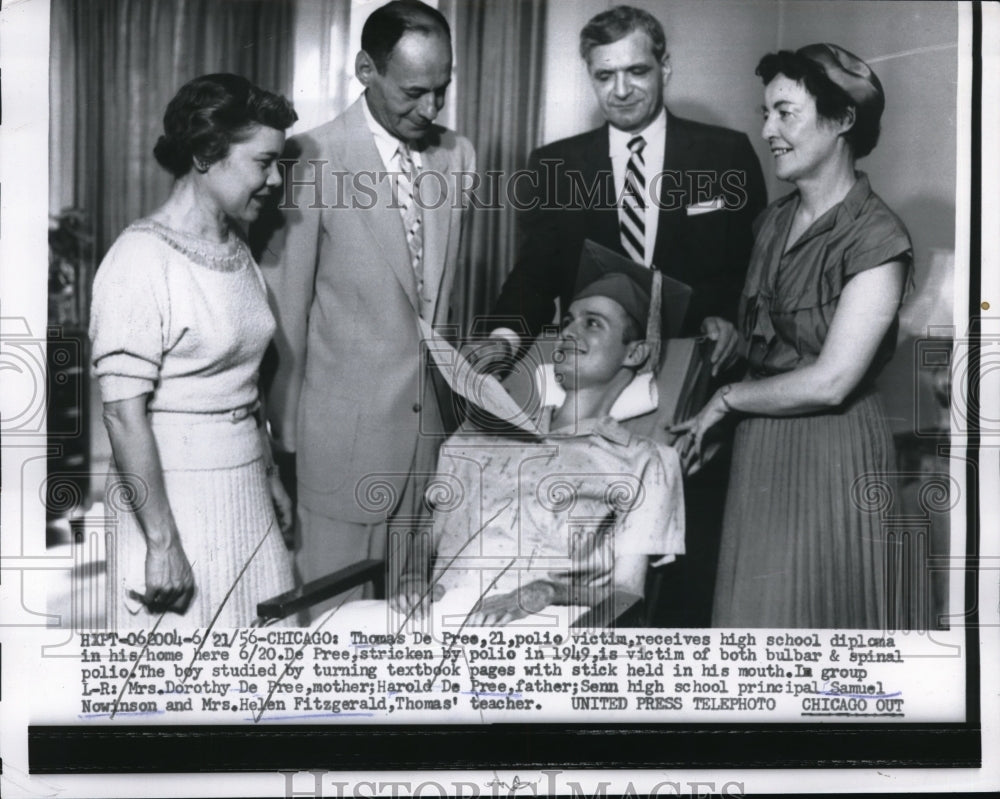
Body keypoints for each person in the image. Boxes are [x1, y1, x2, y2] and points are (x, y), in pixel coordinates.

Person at [466, 5, 766, 627]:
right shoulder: (556, 165)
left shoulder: (726, 154)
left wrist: (729, 319)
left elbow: (751, 275)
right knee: (591, 565)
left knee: (683, 571)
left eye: (637, 71)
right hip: (594, 401)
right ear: (590, 76)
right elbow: (534, 274)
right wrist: (500, 337)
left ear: (665, 68)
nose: (622, 90)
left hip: (689, 396)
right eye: (605, 76)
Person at [315, 240, 686, 633]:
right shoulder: (479, 437)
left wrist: (547, 591)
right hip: (436, 617)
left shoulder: (648, 462)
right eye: (567, 322)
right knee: (330, 628)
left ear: (636, 353)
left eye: (593, 323)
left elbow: (629, 595)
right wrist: (411, 579)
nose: (567, 333)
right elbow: (427, 537)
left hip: (537, 624)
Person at [672, 44, 915, 629]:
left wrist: (726, 402)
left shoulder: (878, 237)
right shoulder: (772, 221)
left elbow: (832, 381)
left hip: (834, 456)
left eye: (785, 113)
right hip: (760, 451)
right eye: (765, 114)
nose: (768, 131)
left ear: (843, 120)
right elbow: (763, 353)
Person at [255, 0, 475, 620]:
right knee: (334, 633)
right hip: (335, 453)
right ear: (364, 70)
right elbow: (285, 318)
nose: (430, 109)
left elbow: (438, 304)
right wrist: (287, 451)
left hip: (425, 445)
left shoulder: (459, 157)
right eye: (413, 92)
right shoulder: (307, 158)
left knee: (409, 636)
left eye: (442, 89)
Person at [89, 74, 298, 628]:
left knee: (262, 664)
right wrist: (161, 543)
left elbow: (244, 382)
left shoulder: (235, 245)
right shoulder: (139, 259)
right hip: (173, 497)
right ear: (207, 155)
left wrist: (268, 473)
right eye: (264, 162)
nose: (276, 180)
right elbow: (121, 413)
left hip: (243, 482)